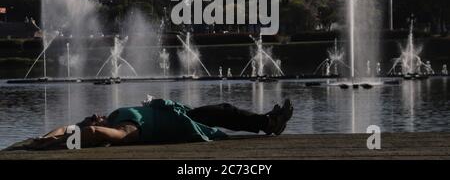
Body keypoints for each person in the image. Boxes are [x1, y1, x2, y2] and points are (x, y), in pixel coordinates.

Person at [27, 98, 294, 150]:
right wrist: (58, 144)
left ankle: (268, 121)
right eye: (89, 118)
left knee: (223, 111)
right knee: (223, 112)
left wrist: (43, 138)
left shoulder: (115, 117)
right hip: (179, 123)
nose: (94, 116)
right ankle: (270, 123)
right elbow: (94, 133)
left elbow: (65, 128)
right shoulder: (124, 128)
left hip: (177, 113)